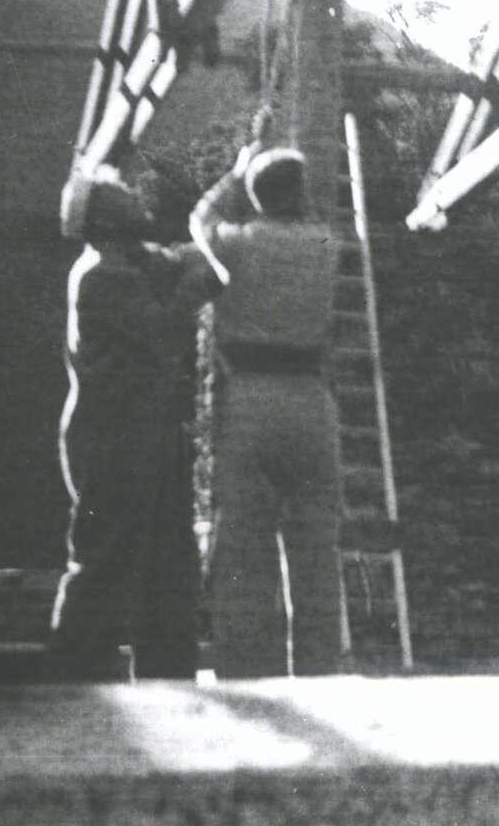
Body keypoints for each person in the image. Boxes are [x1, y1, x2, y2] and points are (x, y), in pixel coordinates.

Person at [49, 166, 221, 681]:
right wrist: (192, 288)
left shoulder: (129, 264)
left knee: (169, 561)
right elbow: (164, 326)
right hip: (113, 437)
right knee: (104, 561)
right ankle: (74, 681)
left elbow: (188, 258)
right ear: (104, 219)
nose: (135, 197)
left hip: (146, 434)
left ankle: (166, 676)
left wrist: (234, 184)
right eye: (122, 196)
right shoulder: (104, 274)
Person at [191, 112, 344, 678]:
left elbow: (200, 217)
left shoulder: (237, 243)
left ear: (257, 197)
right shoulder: (327, 243)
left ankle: (247, 670)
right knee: (315, 544)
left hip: (251, 396)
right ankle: (321, 665)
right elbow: (314, 218)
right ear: (300, 193)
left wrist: (240, 165)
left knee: (246, 544)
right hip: (311, 398)